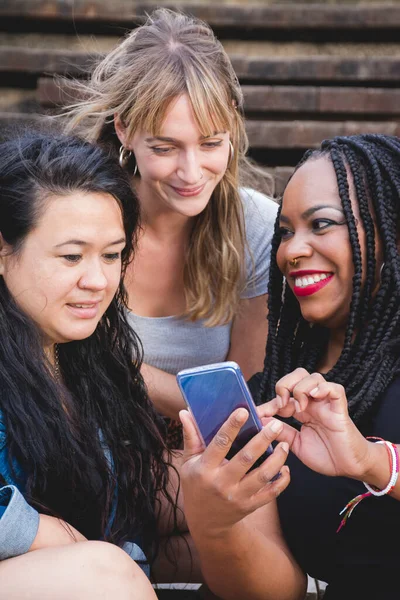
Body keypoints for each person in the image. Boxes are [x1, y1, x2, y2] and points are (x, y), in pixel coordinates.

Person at [0, 130, 305, 600]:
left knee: (232, 479)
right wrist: (43, 533)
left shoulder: (84, 355)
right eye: (71, 256)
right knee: (106, 571)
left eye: (112, 255)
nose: (98, 280)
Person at [62, 8, 278, 440]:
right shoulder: (73, 215)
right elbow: (61, 367)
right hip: (88, 441)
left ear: (233, 122)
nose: (192, 172)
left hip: (205, 451)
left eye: (212, 143)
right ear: (123, 129)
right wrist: (196, 401)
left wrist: (131, 374)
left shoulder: (255, 225)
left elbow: (240, 406)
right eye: (165, 147)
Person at [249, 133, 400, 599]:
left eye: (322, 224)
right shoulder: (282, 387)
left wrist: (373, 462)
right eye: (285, 231)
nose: (292, 250)